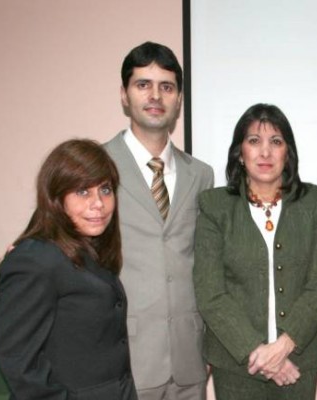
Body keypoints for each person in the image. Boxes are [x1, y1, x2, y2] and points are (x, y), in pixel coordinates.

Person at [193, 103, 317, 399]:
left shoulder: (314, 202)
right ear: (240, 153)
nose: (265, 152)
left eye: (276, 142)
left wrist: (284, 347)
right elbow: (210, 292)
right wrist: (259, 355)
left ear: (288, 153)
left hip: (298, 364)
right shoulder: (215, 206)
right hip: (236, 367)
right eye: (254, 141)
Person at [104, 42, 214, 400]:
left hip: (189, 360)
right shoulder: (94, 165)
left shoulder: (201, 175)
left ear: (179, 98)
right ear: (125, 95)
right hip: (124, 357)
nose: (155, 96)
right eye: (143, 84)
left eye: (166, 86)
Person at [0, 139, 136, 399]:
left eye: (105, 190)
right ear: (56, 198)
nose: (99, 204)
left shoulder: (89, 248)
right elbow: (19, 363)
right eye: (83, 192)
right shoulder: (34, 258)